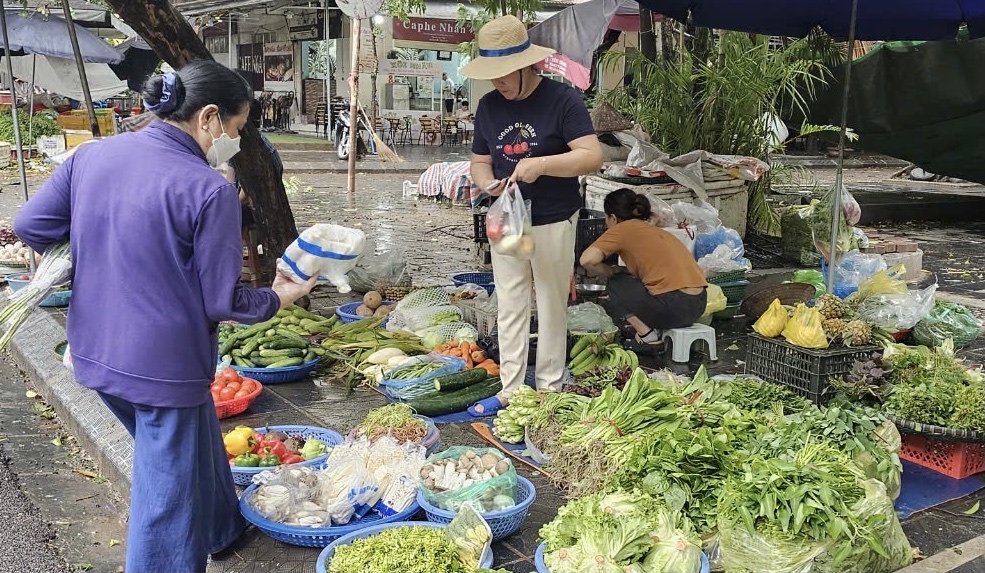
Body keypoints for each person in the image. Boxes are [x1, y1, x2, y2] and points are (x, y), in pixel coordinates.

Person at [13, 60, 316, 573]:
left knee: (191, 441)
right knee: (164, 503)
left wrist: (92, 252)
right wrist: (282, 295)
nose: (235, 144)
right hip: (164, 369)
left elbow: (30, 225)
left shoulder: (92, 157)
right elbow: (224, 303)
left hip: (92, 350)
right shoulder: (209, 189)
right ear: (210, 118)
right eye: (236, 130)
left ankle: (222, 528)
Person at [463, 15, 603, 415]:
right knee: (509, 301)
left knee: (551, 302)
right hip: (507, 219)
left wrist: (541, 165)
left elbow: (591, 156)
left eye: (504, 73)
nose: (497, 82)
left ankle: (549, 388)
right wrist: (487, 181)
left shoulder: (563, 100)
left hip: (554, 218)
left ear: (527, 65)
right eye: (492, 74)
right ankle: (510, 388)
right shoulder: (489, 106)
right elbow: (479, 161)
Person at [580, 188, 708, 344]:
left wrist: (610, 271)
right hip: (699, 305)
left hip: (674, 308)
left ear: (613, 218)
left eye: (607, 218)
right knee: (630, 279)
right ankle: (653, 328)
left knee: (616, 282)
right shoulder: (654, 230)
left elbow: (587, 260)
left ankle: (647, 335)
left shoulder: (621, 229)